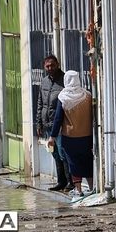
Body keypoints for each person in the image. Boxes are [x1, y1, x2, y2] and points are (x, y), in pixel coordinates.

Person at [47, 70, 94, 197]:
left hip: (70, 137)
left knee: (73, 163)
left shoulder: (63, 98)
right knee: (87, 161)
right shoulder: (87, 95)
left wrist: (52, 136)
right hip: (87, 136)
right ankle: (91, 187)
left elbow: (58, 119)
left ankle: (78, 190)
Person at [36, 55, 72, 192]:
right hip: (47, 124)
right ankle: (61, 181)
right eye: (47, 66)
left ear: (57, 64)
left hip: (61, 124)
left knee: (63, 153)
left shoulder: (64, 80)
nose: (50, 68)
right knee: (54, 153)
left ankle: (70, 182)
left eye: (52, 65)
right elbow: (40, 103)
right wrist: (38, 123)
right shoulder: (44, 82)